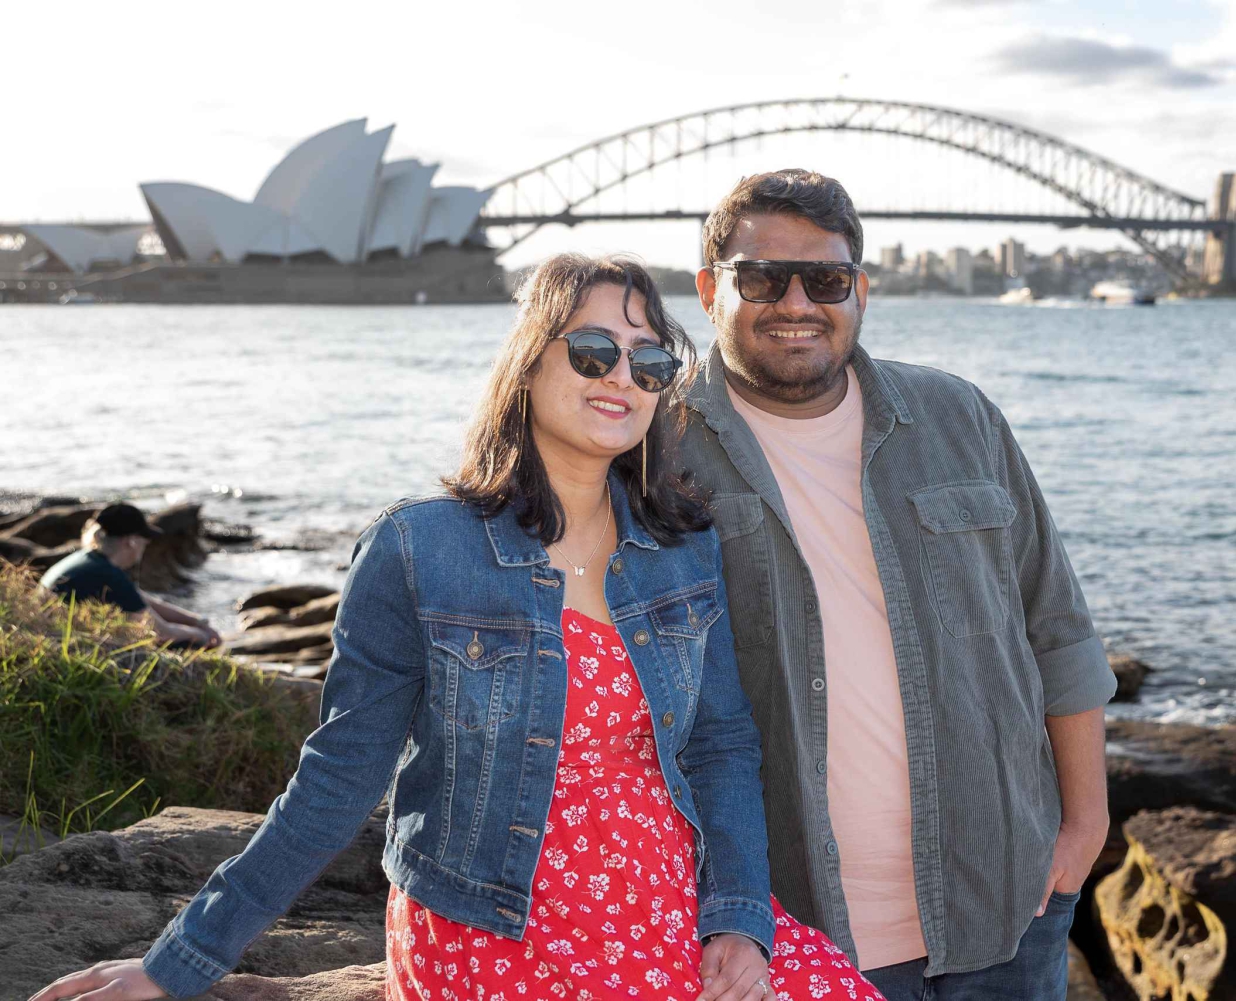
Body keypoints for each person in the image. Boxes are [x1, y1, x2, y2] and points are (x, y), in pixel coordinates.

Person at [30, 255, 884, 1001]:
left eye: (649, 359)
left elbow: (720, 745)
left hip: (674, 899)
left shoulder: (680, 546)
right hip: (495, 921)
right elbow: (339, 776)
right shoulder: (420, 548)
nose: (622, 375)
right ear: (529, 362)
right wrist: (179, 962)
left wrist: (738, 918)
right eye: (593, 350)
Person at [682, 170, 1117, 1001]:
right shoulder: (655, 452)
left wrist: (1084, 827)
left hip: (1008, 908)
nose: (797, 302)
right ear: (710, 291)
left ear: (861, 289)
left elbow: (1057, 629)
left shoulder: (960, 418)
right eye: (763, 278)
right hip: (791, 930)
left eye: (826, 279)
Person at [38, 502, 221, 648]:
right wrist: (202, 636)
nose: (144, 547)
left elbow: (140, 600)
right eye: (144, 542)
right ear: (131, 542)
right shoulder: (107, 574)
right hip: (62, 643)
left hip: (49, 636)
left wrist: (196, 621)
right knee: (188, 643)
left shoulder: (88, 560)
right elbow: (161, 633)